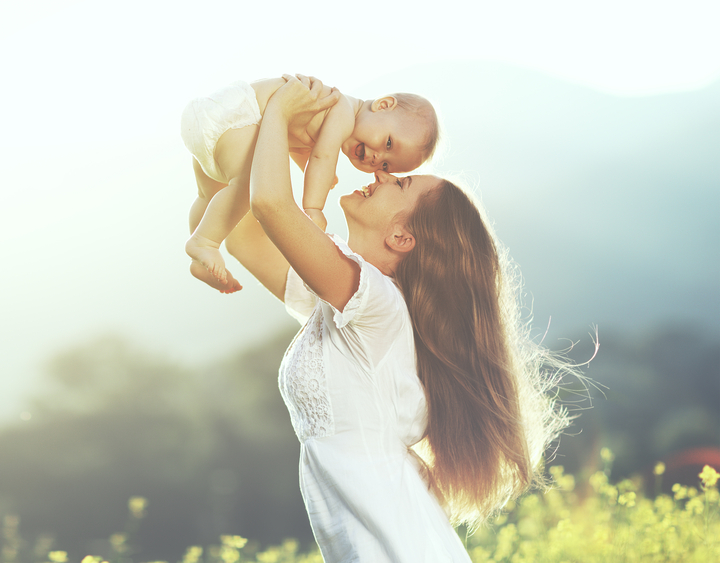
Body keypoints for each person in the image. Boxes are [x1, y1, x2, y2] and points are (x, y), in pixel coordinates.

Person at [225, 76, 572, 561]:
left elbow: (269, 205)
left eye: (401, 181)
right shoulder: (351, 302)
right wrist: (218, 136)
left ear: (402, 238)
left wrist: (280, 111)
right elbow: (241, 236)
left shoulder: (374, 303)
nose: (383, 175)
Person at [181, 77, 439, 293]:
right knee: (245, 183)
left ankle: (198, 251)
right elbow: (322, 157)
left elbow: (298, 145)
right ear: (383, 105)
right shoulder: (342, 111)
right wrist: (313, 208)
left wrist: (311, 170)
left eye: (385, 166)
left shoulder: (327, 110)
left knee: (207, 195)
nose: (377, 158)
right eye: (389, 144)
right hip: (235, 117)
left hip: (212, 116)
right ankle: (204, 243)